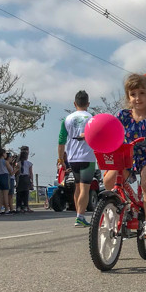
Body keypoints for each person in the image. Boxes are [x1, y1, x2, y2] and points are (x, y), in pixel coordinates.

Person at [104, 73, 146, 237]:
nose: (137, 98)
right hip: (126, 154)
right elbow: (110, 128)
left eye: (142, 93)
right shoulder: (123, 115)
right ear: (128, 97)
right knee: (109, 179)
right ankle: (117, 207)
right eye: (133, 94)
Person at [57, 90, 96, 227]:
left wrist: (61, 159)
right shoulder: (92, 118)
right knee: (85, 188)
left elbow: (61, 141)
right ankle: (80, 217)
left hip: (72, 158)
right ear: (88, 104)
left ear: (75, 103)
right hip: (88, 157)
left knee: (78, 186)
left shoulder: (66, 119)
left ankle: (78, 215)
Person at [0, 148, 13, 215]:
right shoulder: (5, 161)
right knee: (5, 194)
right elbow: (10, 171)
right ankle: (7, 209)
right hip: (4, 176)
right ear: (3, 154)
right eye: (5, 153)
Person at [15, 147, 34, 212]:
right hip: (26, 178)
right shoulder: (29, 163)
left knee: (19, 193)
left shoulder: (18, 163)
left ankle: (18, 207)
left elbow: (17, 172)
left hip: (20, 178)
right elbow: (31, 173)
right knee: (26, 193)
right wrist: (32, 181)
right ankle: (25, 206)